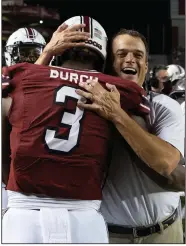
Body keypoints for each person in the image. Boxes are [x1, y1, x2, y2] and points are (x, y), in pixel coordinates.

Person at [2, 16, 149, 243]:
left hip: (25, 212)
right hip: (84, 214)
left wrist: (46, 54)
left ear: (59, 51)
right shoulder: (117, 87)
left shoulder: (24, 75)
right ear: (102, 57)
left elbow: (11, 102)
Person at [75, 29, 184, 243]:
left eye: (138, 55)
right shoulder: (83, 105)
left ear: (146, 66)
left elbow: (166, 164)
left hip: (165, 231)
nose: (130, 60)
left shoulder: (163, 106)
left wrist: (116, 114)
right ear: (108, 63)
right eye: (122, 54)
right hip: (110, 234)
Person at [2, 27, 46, 212]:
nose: (29, 60)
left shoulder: (49, 87)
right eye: (24, 53)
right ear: (11, 54)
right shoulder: (5, 84)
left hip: (31, 183)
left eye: (35, 54)